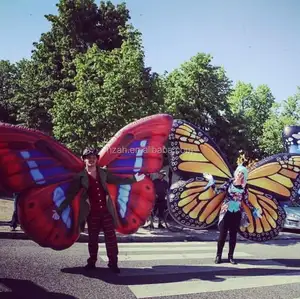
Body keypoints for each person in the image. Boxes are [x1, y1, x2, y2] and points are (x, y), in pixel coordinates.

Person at [81, 147, 144, 273]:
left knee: (111, 238)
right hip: (92, 214)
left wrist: (133, 179)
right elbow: (71, 193)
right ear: (84, 160)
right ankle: (92, 262)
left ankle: (113, 263)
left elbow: (117, 180)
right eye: (88, 158)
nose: (91, 160)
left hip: (106, 212)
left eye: (94, 158)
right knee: (92, 239)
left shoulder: (103, 173)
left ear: (97, 159)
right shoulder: (80, 176)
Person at [204, 165, 262, 265]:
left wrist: (254, 210)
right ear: (236, 173)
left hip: (237, 213)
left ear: (244, 176)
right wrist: (212, 182)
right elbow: (218, 191)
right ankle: (218, 256)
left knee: (233, 236)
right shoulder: (229, 183)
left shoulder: (245, 187)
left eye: (242, 173)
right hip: (226, 212)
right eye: (239, 172)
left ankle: (231, 257)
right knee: (222, 235)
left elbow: (246, 201)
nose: (240, 174)